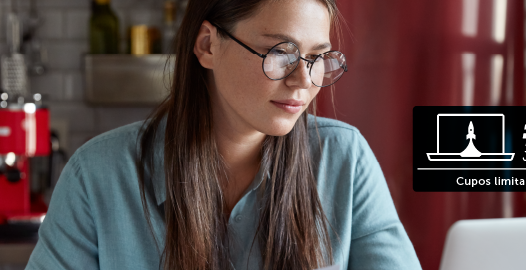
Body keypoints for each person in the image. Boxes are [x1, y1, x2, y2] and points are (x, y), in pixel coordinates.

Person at [25, 0, 422, 269]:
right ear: (207, 45)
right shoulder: (97, 175)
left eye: (318, 58)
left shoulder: (344, 158)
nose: (304, 81)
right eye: (281, 52)